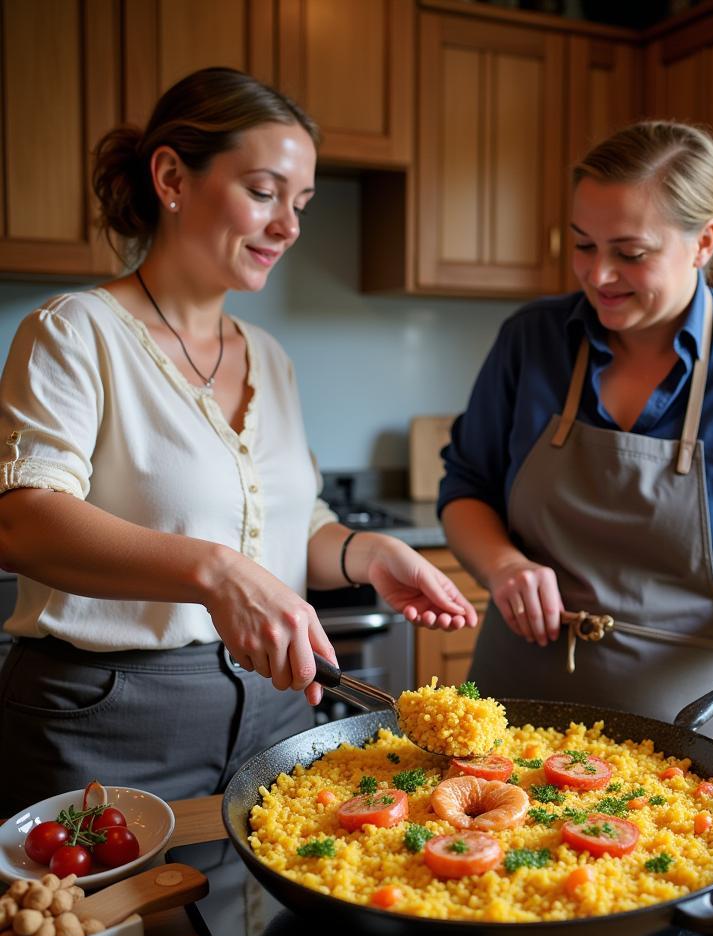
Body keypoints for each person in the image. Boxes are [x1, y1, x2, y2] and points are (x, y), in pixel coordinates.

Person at [0, 67, 477, 816]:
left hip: (274, 715)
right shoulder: (74, 331)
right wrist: (216, 574)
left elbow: (293, 523)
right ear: (171, 177)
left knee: (257, 934)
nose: (288, 225)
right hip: (105, 724)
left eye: (302, 204)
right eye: (263, 192)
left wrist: (365, 553)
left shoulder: (268, 356)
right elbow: (21, 520)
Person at [439, 121, 713, 733]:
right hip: (511, 709)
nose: (598, 276)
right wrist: (503, 565)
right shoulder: (531, 341)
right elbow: (466, 488)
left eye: (630, 253)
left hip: (690, 722)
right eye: (583, 245)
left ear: (703, 242)